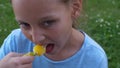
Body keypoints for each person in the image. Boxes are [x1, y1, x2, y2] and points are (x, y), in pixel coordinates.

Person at [0, 0, 108, 68]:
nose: (36, 39)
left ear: (74, 9)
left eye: (47, 23)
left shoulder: (94, 59)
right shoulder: (15, 44)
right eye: (25, 24)